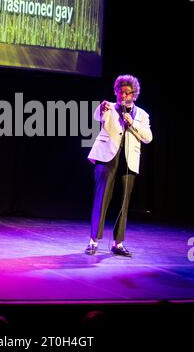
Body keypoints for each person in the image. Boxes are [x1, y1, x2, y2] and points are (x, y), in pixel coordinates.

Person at [85, 74, 153, 257]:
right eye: (120, 91)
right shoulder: (108, 108)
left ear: (134, 94)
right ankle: (93, 241)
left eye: (127, 92)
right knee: (101, 200)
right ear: (115, 92)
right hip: (107, 158)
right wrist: (100, 108)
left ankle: (118, 243)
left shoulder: (142, 115)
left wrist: (133, 124)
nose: (122, 95)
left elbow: (148, 138)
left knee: (124, 203)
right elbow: (96, 116)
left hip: (128, 161)